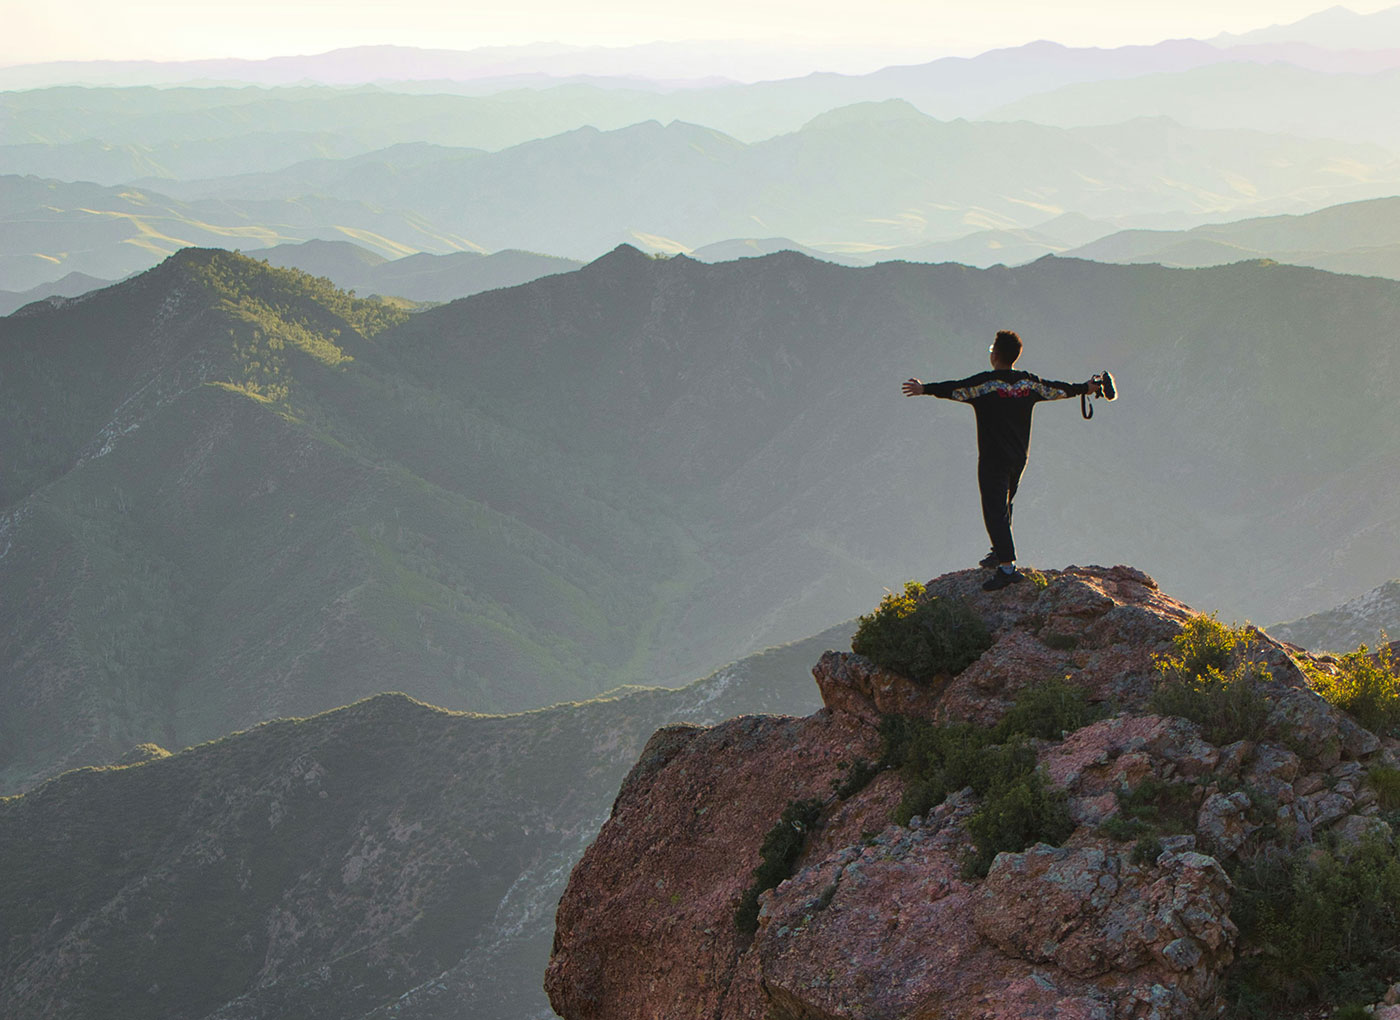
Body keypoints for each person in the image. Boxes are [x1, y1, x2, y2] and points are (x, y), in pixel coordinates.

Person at [902, 329, 1101, 592]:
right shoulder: (1028, 384)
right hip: (1019, 456)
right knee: (1006, 504)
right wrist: (1086, 388)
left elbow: (956, 389)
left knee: (994, 509)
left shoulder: (986, 385)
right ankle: (999, 552)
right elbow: (1058, 389)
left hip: (993, 458)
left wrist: (924, 389)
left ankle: (1007, 568)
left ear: (995, 355)